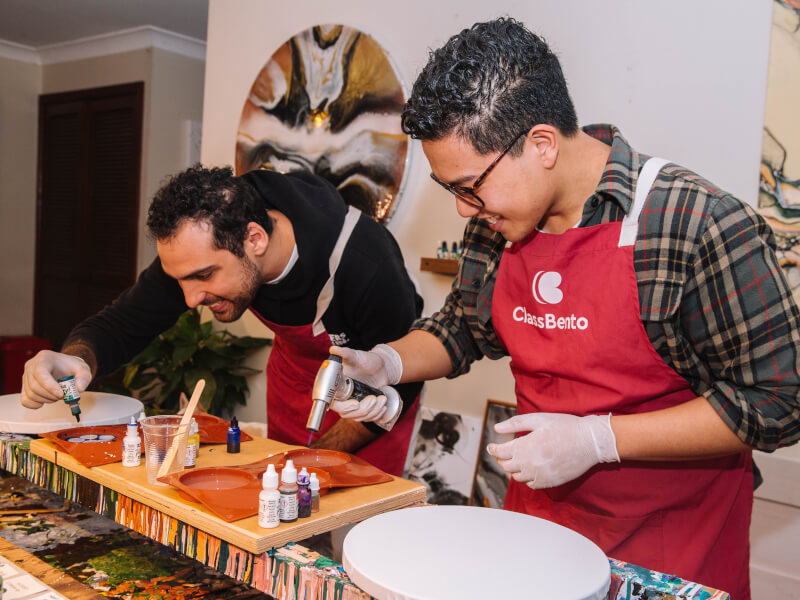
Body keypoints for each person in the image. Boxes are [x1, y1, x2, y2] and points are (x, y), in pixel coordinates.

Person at [328, 17, 800, 598]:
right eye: (452, 189)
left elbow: (779, 402)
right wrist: (389, 363)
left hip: (673, 543)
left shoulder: (694, 223)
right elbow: (464, 329)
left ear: (542, 144)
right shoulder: (498, 220)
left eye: (470, 186)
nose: (463, 209)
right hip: (539, 532)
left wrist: (596, 441)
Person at [20, 166, 423, 476]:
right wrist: (74, 358)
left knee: (348, 533)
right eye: (182, 280)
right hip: (296, 378)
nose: (191, 299)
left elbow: (403, 380)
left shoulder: (365, 262)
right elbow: (122, 323)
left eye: (204, 277)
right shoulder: (204, 241)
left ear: (255, 239)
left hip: (374, 400)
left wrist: (311, 460)